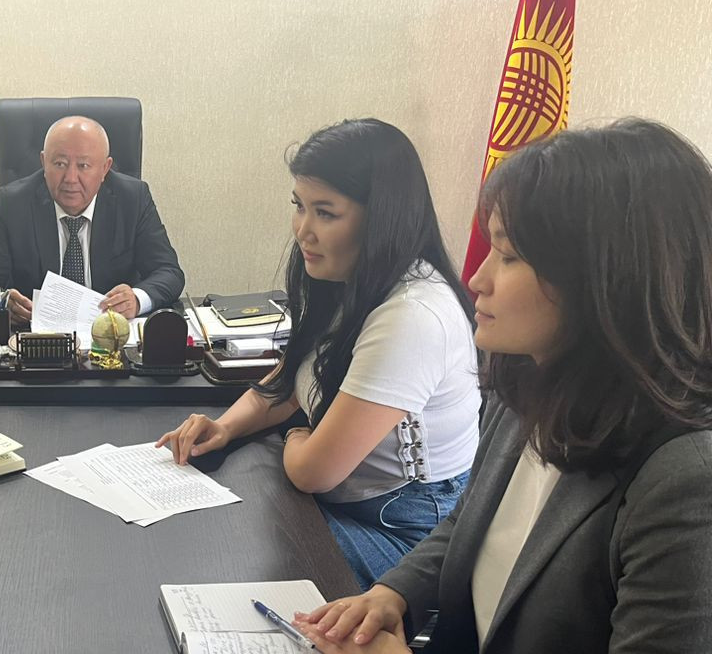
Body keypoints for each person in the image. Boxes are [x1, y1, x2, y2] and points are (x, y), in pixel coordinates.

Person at [294, 119, 712, 653]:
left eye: (509, 256)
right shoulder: (526, 384)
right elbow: (470, 523)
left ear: (609, 278)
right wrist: (392, 593)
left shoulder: (686, 485)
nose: (477, 280)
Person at [158, 119, 479, 588]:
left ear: (382, 218)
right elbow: (292, 379)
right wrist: (225, 427)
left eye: (325, 213)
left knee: (236, 550)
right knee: (228, 523)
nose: (303, 231)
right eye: (300, 206)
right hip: (353, 501)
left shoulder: (412, 315)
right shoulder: (353, 279)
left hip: (404, 530)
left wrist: (295, 434)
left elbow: (312, 471)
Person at [0, 115, 184, 321]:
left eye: (83, 165)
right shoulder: (14, 203)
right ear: (43, 162)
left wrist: (136, 299)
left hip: (111, 337)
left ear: (105, 168)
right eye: (60, 164)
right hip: (36, 340)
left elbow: (169, 271)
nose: (70, 178)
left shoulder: (133, 199)